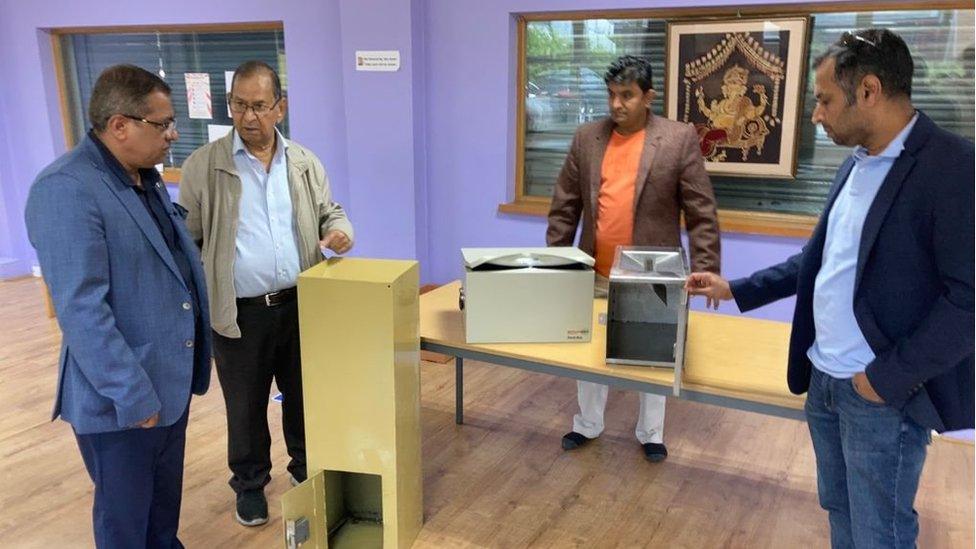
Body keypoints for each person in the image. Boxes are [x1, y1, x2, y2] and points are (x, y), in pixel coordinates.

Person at [686, 29, 974, 548]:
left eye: (823, 100)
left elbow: (968, 301)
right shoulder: (857, 162)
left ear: (868, 91)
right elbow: (820, 262)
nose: (816, 115)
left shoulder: (952, 167)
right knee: (840, 511)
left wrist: (886, 379)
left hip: (879, 394)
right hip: (824, 379)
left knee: (879, 531)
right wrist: (736, 289)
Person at [24, 64, 211, 548]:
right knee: (125, 520)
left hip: (167, 382)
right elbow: (82, 310)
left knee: (162, 506)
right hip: (124, 398)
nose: (172, 134)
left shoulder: (143, 178)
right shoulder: (66, 188)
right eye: (162, 123)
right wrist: (132, 395)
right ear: (120, 125)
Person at [179, 60, 353, 526]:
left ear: (281, 108)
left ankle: (305, 471)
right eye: (239, 105)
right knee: (246, 406)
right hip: (240, 313)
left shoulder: (303, 162)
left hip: (301, 306)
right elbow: (187, 238)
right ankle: (251, 485)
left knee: (304, 398)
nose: (248, 116)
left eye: (259, 106)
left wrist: (339, 230)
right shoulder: (205, 165)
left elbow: (328, 212)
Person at [547, 55, 721, 462]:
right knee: (588, 349)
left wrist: (707, 268)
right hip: (595, 268)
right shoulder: (587, 138)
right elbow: (564, 207)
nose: (616, 104)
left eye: (626, 95)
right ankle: (587, 423)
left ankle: (651, 432)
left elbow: (701, 212)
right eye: (611, 95)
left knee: (654, 354)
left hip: (652, 273)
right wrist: (557, 263)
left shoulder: (677, 139)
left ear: (648, 96)